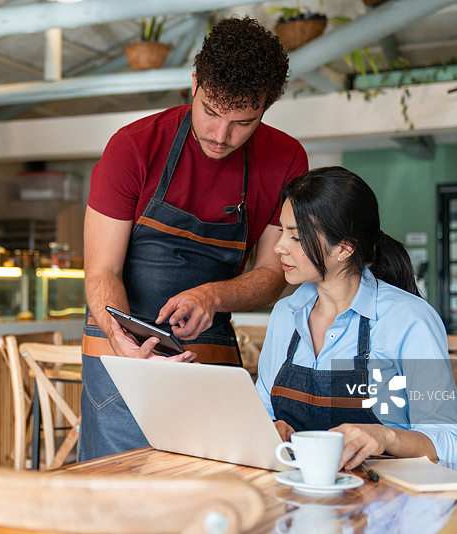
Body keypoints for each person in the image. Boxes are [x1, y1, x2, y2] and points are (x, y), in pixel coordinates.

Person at [80, 16, 308, 461]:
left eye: (242, 122)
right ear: (194, 84)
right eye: (210, 112)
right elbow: (101, 270)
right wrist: (122, 340)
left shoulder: (286, 159)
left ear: (268, 106)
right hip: (121, 353)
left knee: (211, 488)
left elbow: (273, 275)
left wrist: (213, 296)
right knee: (118, 491)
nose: (220, 136)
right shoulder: (133, 147)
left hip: (208, 356)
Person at [256, 166, 457, 469]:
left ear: (344, 248)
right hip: (294, 487)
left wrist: (386, 437)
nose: (279, 247)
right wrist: (271, 427)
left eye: (296, 237)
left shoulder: (408, 320)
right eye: (281, 231)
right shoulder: (285, 315)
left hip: (387, 492)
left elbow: (452, 445)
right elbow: (262, 412)